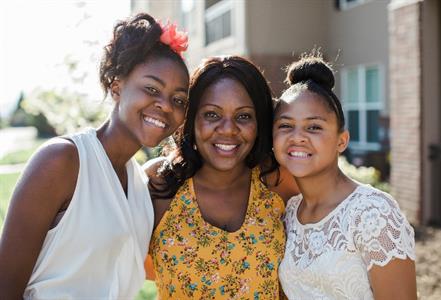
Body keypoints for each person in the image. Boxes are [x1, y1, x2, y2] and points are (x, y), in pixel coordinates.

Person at [0, 13, 189, 299]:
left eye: (178, 100)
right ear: (116, 86)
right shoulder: (61, 162)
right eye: (151, 89)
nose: (165, 106)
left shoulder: (142, 185)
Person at [147, 56, 297, 299]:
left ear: (260, 122)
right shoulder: (159, 183)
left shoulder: (278, 181)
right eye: (212, 115)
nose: (228, 129)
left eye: (244, 116)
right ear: (190, 118)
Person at [273, 53, 417, 299]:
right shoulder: (289, 213)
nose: (297, 136)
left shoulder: (373, 213)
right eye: (285, 125)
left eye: (314, 127)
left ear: (342, 141)